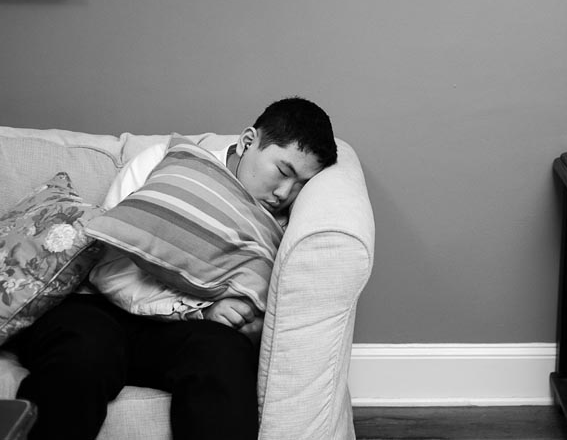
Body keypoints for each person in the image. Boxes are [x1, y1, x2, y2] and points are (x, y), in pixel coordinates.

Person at [6, 97, 337, 440]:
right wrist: (198, 309)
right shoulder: (167, 163)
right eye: (283, 172)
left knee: (224, 353)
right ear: (248, 141)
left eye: (300, 184)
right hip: (100, 307)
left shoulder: (285, 221)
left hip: (175, 337)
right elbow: (108, 266)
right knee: (82, 354)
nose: (285, 192)